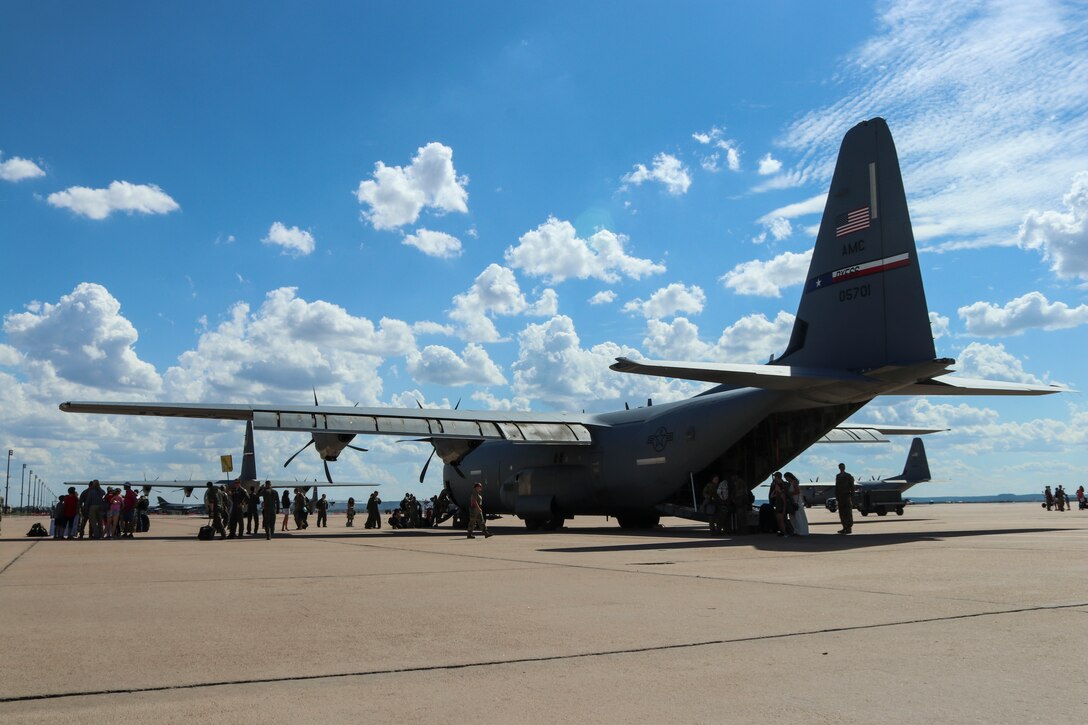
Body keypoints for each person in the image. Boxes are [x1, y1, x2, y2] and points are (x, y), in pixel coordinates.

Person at [785, 472, 808, 536]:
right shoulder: (790, 483)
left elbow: (797, 491)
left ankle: (801, 531)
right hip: (792, 501)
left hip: (796, 501)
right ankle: (796, 530)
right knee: (793, 516)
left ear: (789, 477)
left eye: (786, 478)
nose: (786, 479)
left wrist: (789, 494)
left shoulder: (794, 483)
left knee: (798, 516)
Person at [835, 463, 855, 534]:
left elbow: (852, 486)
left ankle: (849, 528)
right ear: (839, 468)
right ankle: (844, 527)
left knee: (848, 512)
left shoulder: (848, 476)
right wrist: (837, 496)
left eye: (843, 467)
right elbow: (836, 487)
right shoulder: (838, 476)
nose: (842, 468)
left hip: (847, 496)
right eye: (841, 467)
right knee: (842, 512)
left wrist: (852, 495)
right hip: (840, 497)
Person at [769, 472, 790, 537]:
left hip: (781, 506)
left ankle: (785, 532)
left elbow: (784, 500)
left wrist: (784, 509)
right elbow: (772, 496)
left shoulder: (782, 487)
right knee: (779, 520)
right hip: (778, 506)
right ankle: (782, 532)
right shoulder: (778, 487)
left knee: (782, 521)